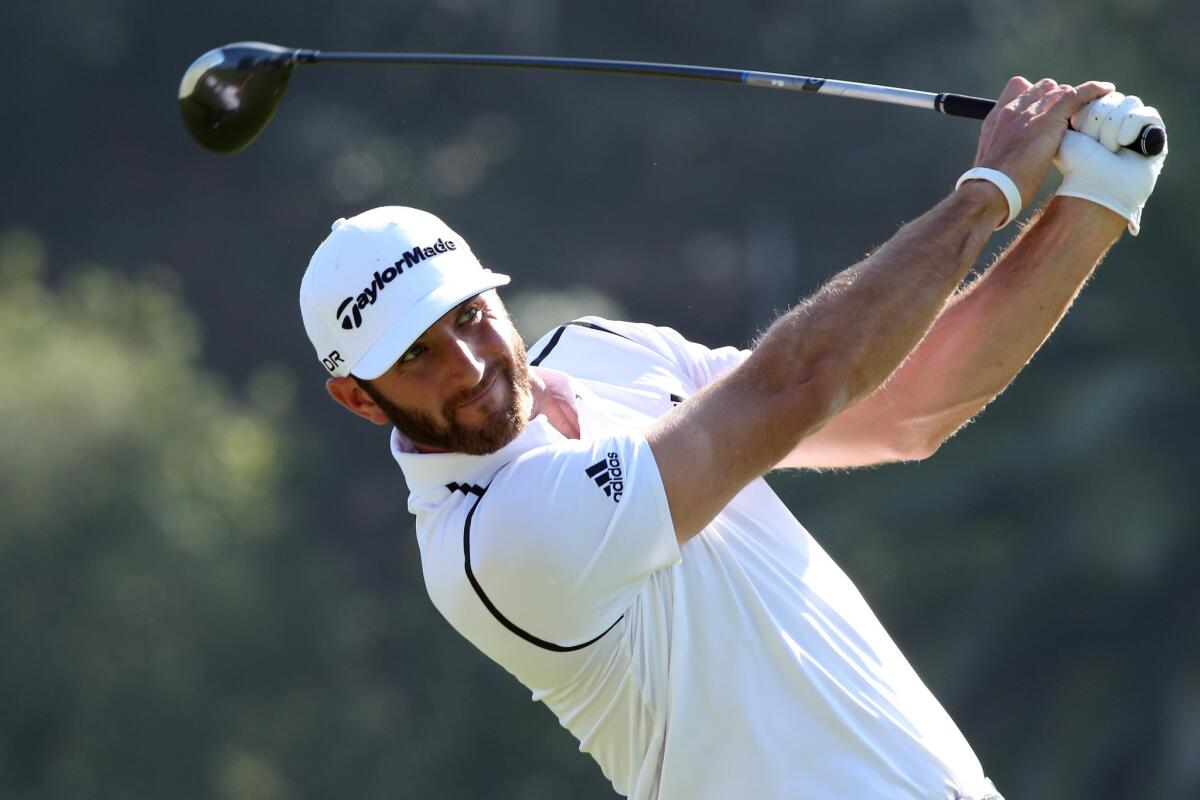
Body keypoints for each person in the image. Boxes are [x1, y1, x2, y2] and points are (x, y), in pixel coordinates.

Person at [299, 77, 1165, 799]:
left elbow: (906, 408)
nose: (467, 363)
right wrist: (991, 194)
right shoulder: (489, 540)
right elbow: (803, 380)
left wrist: (1094, 198)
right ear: (358, 398)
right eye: (416, 356)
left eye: (471, 317)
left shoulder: (605, 352)